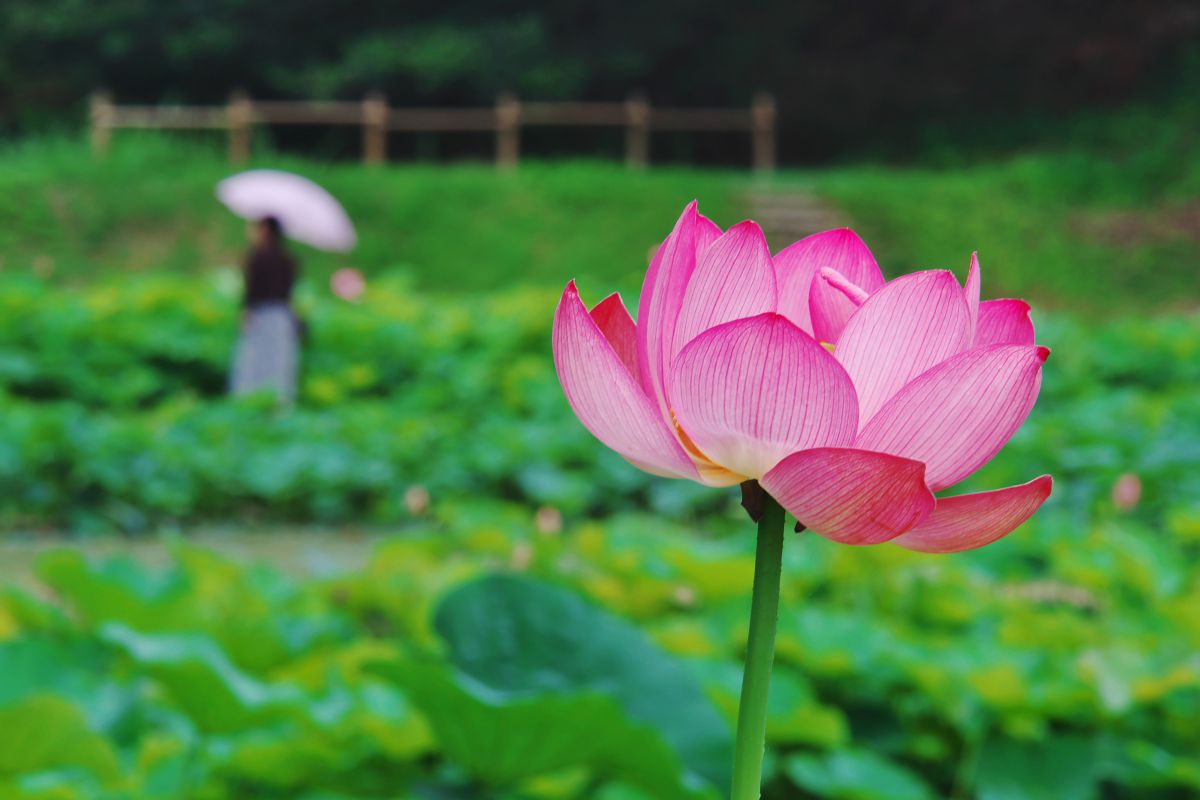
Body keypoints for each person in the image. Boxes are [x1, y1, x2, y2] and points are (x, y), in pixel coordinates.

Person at [230, 216, 299, 403]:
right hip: (283, 316)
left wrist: (245, 312)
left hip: (260, 315)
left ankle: (249, 405)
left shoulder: (256, 258)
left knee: (253, 364)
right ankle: (278, 407)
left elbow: (251, 292)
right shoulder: (289, 259)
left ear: (265, 230)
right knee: (278, 365)